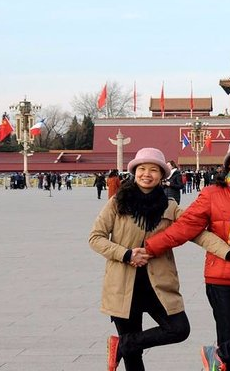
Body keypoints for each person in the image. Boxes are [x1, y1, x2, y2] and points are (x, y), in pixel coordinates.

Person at [141, 137, 230, 371]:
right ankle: (224, 355)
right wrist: (150, 247)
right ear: (228, 163)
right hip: (222, 281)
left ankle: (218, 354)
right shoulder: (212, 194)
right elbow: (185, 226)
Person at [89, 148, 196, 371]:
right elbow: (95, 238)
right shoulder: (118, 202)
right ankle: (126, 345)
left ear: (161, 175)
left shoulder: (170, 206)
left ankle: (123, 343)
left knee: (178, 329)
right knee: (133, 359)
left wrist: (228, 250)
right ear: (135, 172)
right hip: (123, 285)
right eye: (142, 169)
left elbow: (194, 227)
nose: (147, 174)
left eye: (153, 170)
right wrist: (126, 254)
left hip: (157, 285)